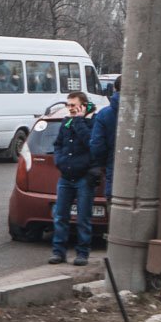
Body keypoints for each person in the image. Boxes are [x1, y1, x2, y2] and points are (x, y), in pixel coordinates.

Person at [49, 91, 96, 266]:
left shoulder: (92, 121)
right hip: (66, 176)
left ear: (83, 105)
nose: (69, 109)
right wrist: (59, 160)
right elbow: (58, 144)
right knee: (60, 216)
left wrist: (79, 120)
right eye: (67, 105)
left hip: (83, 177)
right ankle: (58, 252)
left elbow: (90, 142)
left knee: (83, 218)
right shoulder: (66, 122)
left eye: (73, 105)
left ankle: (82, 253)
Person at [89, 75, 120, 200]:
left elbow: (97, 145)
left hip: (113, 175)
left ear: (114, 89)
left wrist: (103, 163)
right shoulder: (146, 112)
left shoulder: (104, 114)